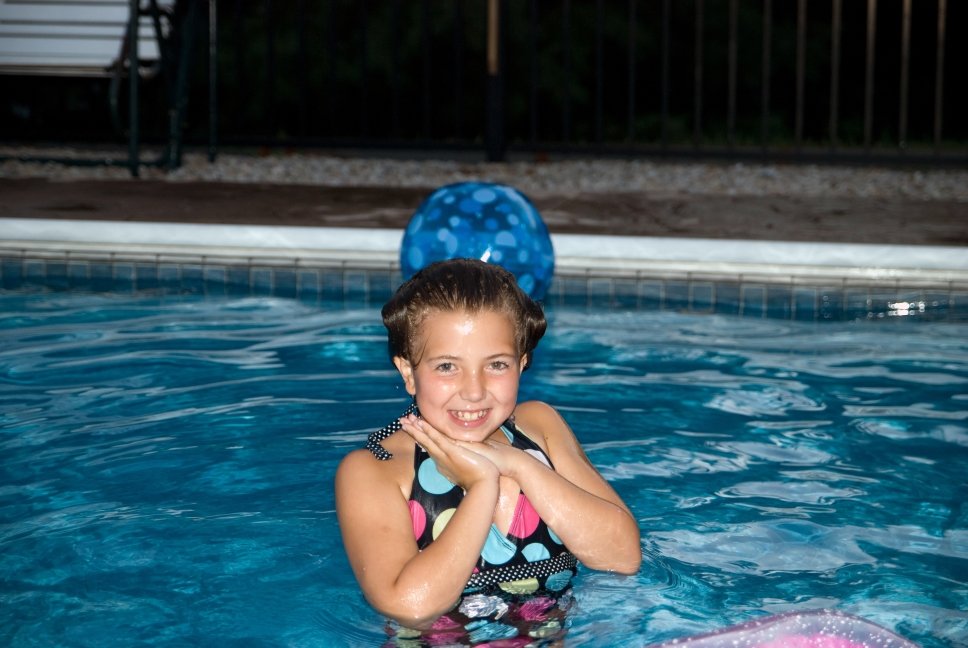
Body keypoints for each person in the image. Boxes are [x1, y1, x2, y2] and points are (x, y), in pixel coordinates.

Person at [335, 258, 641, 639]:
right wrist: (482, 487)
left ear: (522, 363)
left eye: (496, 365)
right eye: (447, 367)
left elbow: (623, 557)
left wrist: (517, 464)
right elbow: (411, 608)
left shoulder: (539, 428)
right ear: (409, 373)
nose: (474, 390)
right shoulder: (376, 469)